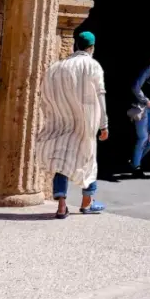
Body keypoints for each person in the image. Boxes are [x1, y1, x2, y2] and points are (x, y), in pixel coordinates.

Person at [33, 30, 108, 218]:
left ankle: (61, 205)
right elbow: (100, 96)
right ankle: (87, 202)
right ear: (92, 48)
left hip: (62, 121)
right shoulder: (93, 65)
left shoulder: (57, 67)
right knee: (89, 159)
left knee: (61, 160)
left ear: (76, 46)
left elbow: (45, 94)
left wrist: (52, 116)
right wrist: (104, 124)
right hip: (85, 122)